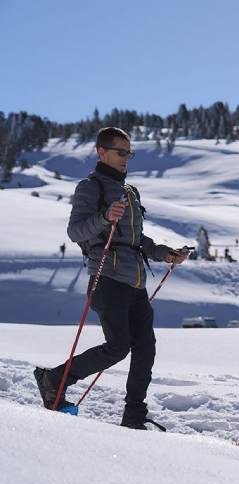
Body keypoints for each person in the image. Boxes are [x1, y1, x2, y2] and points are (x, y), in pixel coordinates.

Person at [33, 127, 188, 430]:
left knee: (146, 347)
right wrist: (104, 218)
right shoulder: (90, 188)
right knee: (118, 347)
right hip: (105, 276)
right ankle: (54, 378)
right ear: (101, 152)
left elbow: (137, 239)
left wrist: (165, 253)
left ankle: (133, 418)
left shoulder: (130, 192)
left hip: (135, 282)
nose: (126, 158)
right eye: (121, 152)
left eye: (129, 153)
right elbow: (75, 231)